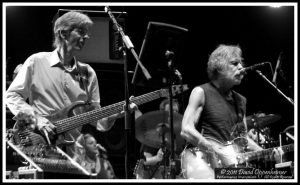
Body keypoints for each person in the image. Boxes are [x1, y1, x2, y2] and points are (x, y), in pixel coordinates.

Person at [6, 11, 136, 157]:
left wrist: (115, 115)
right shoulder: (36, 62)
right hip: (37, 145)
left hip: (73, 153)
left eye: (86, 33)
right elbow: (11, 96)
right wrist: (37, 120)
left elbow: (96, 120)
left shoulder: (89, 73)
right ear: (63, 34)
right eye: (81, 31)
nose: (86, 36)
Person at [180, 44, 265, 179]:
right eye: (234, 63)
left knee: (269, 176)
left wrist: (264, 152)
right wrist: (210, 149)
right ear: (219, 67)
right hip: (203, 165)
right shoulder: (201, 92)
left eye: (241, 64)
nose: (241, 68)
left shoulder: (241, 101)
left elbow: (242, 140)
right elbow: (186, 129)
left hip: (230, 166)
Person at [134, 98, 180, 179]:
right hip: (152, 176)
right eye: (171, 111)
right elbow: (145, 161)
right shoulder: (154, 133)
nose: (174, 115)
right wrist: (157, 158)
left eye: (176, 111)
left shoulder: (177, 135)